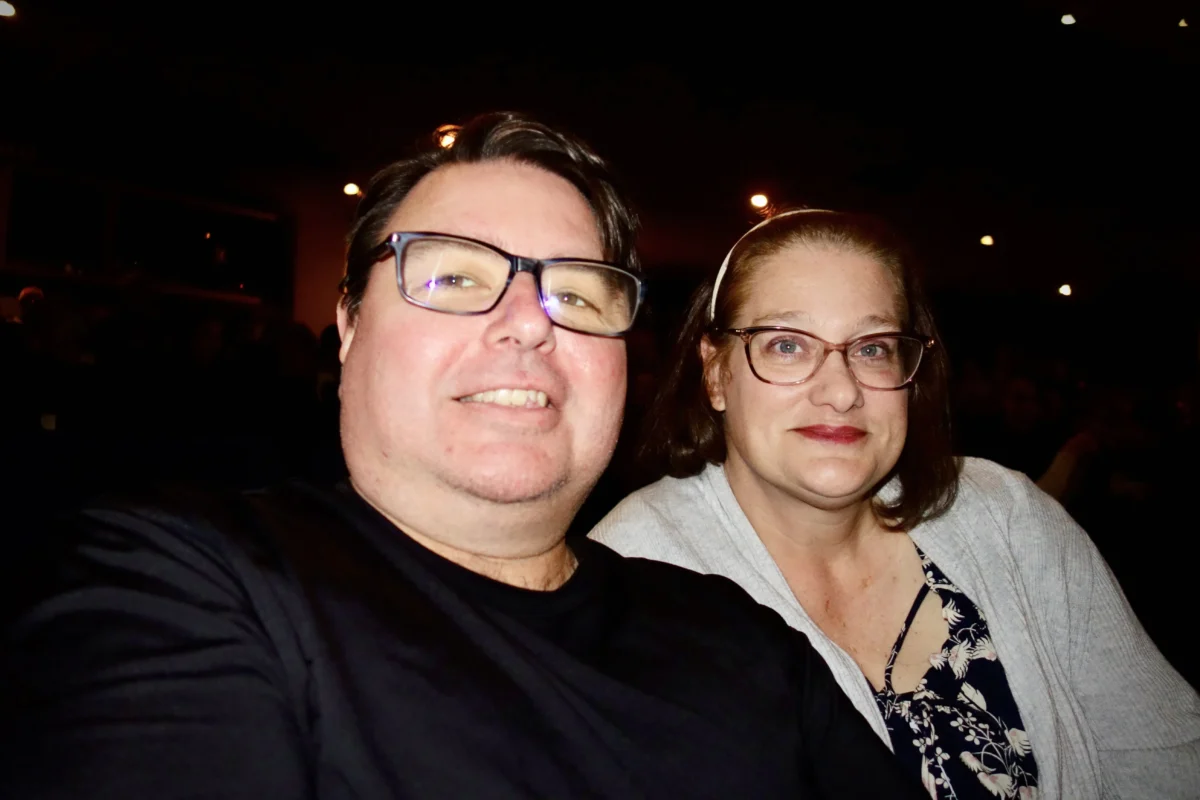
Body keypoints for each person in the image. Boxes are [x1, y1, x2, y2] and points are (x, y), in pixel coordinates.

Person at [0, 115, 926, 799]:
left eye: (577, 291)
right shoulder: (181, 581)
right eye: (453, 277)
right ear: (349, 328)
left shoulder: (742, 637)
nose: (528, 323)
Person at [590, 209, 1200, 799]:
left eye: (874, 348)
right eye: (786, 345)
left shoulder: (1008, 516)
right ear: (717, 373)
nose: (840, 391)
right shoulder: (632, 575)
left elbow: (1166, 757)